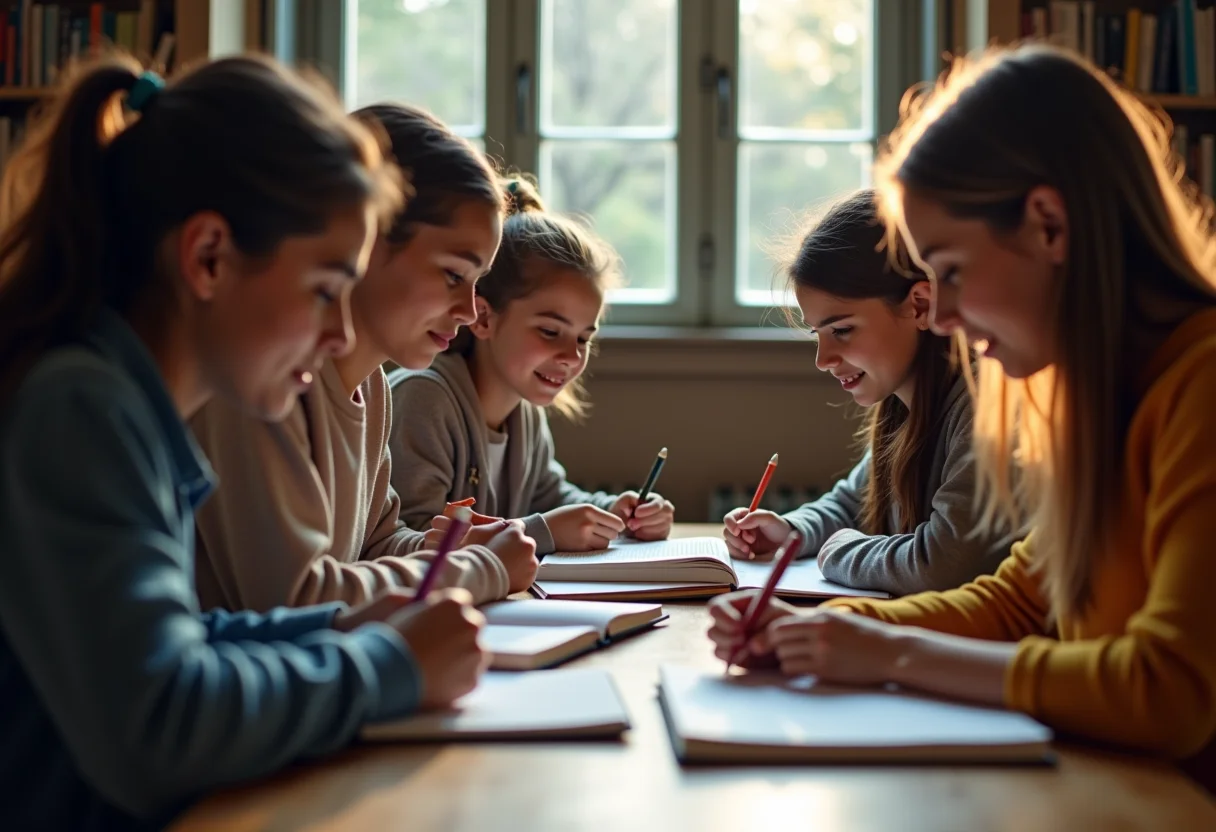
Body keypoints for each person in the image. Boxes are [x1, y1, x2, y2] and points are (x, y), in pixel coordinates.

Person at [707, 44, 1216, 788]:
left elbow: (1169, 694)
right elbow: (1014, 606)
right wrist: (823, 631)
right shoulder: (1102, 397)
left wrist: (888, 652)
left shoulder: (1199, 385)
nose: (939, 315)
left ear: (1048, 225)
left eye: (949, 270)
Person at [0, 56, 486, 830]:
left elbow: (184, 639)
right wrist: (387, 665)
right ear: (209, 258)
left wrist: (338, 625)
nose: (341, 334)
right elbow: (159, 726)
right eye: (325, 290)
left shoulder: (121, 401)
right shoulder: (79, 408)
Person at [191, 102, 537, 613]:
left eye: (477, 283)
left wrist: (447, 551)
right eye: (452, 275)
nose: (468, 311)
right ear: (367, 242)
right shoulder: (266, 378)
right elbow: (297, 600)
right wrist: (479, 569)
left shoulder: (373, 387)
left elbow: (373, 546)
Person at [723, 189, 1018, 594]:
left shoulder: (986, 408)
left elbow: (943, 564)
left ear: (920, 305)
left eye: (842, 330)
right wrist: (791, 530)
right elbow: (851, 504)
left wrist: (837, 551)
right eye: (818, 334)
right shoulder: (902, 405)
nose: (823, 359)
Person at [390, 177, 675, 555]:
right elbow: (415, 538)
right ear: (484, 318)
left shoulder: (523, 413)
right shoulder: (424, 399)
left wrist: (615, 512)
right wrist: (542, 532)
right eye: (550, 331)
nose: (572, 356)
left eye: (583, 339)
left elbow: (550, 496)